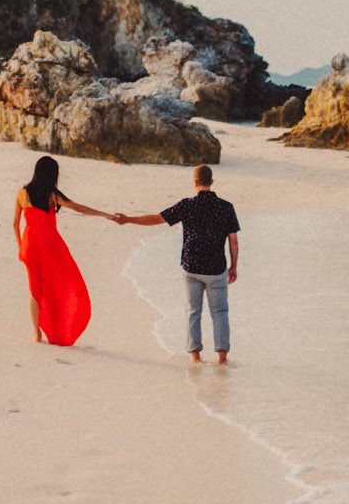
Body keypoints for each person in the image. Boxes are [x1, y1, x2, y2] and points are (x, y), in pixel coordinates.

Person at [118, 163, 240, 364]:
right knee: (220, 312)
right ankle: (222, 359)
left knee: (193, 311)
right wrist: (234, 266)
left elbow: (157, 219)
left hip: (191, 267)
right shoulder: (226, 207)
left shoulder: (187, 205)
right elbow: (233, 241)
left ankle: (195, 357)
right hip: (216, 268)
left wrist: (128, 219)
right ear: (212, 182)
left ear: (195, 183)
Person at [13, 155, 123, 347]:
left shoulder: (22, 193)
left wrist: (20, 245)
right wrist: (104, 214)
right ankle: (58, 327)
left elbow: (15, 223)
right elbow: (76, 207)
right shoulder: (52, 194)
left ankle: (37, 333)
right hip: (50, 245)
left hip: (30, 245)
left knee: (35, 290)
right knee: (63, 283)